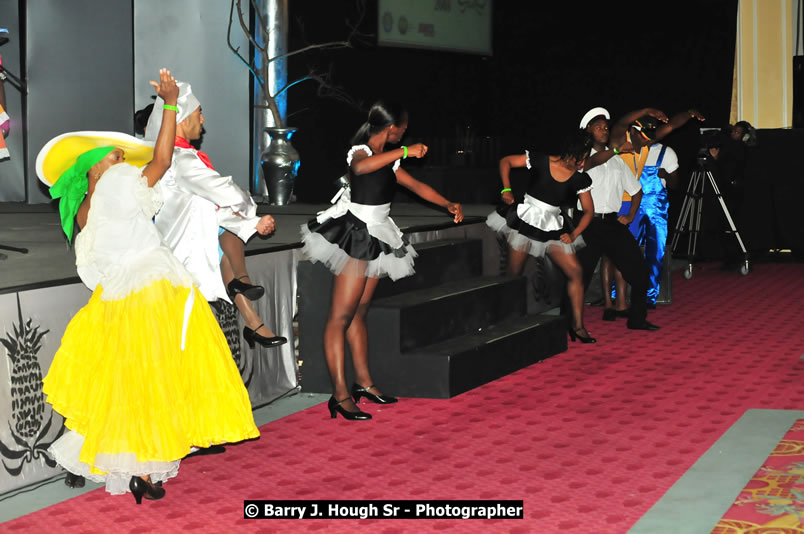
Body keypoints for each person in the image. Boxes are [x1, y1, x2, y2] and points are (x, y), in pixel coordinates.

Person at [37, 69, 259, 503]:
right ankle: (144, 471)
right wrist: (172, 104)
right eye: (113, 154)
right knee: (151, 382)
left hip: (121, 302)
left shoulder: (84, 209)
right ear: (97, 164)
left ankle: (140, 471)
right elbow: (161, 161)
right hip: (153, 293)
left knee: (131, 385)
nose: (120, 155)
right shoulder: (117, 183)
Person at [301, 101, 463, 420]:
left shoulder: (388, 161)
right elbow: (360, 169)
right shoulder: (360, 151)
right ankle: (340, 394)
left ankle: (363, 383)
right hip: (356, 233)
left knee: (359, 311)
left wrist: (448, 203)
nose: (404, 134)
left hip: (378, 233)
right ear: (391, 128)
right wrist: (403, 152)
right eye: (402, 129)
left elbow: (416, 186)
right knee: (340, 316)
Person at [143, 82, 286, 349]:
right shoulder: (182, 160)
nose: (203, 119)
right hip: (182, 266)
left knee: (186, 347)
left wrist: (250, 223)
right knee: (182, 347)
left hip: (183, 269)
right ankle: (241, 286)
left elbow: (208, 210)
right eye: (199, 113)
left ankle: (241, 290)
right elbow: (224, 192)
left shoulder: (179, 158)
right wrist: (249, 208)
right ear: (183, 119)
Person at [487, 129, 596, 343]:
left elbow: (589, 211)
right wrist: (506, 190)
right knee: (513, 274)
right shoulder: (541, 160)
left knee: (575, 272)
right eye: (583, 156)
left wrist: (573, 235)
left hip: (554, 224)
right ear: (573, 152)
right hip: (526, 219)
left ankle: (577, 326)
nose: (584, 161)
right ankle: (504, 323)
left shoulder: (580, 178)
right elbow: (505, 161)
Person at [606, 140, 680, 310]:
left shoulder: (666, 152)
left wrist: (666, 175)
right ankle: (617, 295)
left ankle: (650, 296)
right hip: (632, 206)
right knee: (625, 251)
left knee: (655, 252)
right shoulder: (629, 150)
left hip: (656, 209)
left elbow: (676, 184)